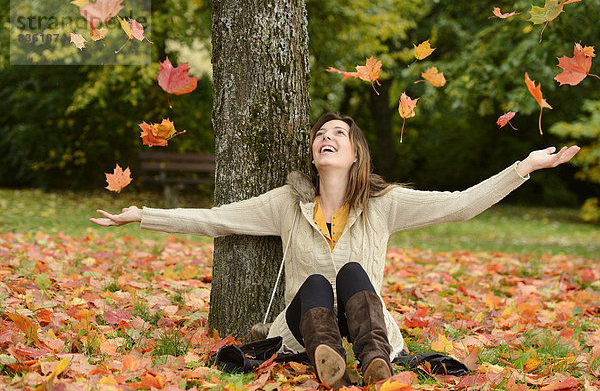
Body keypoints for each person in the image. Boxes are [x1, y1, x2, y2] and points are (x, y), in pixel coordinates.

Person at [91, 112, 580, 388]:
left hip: (366, 318)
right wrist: (144, 216)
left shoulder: (384, 204)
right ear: (313, 153)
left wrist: (524, 167)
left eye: (337, 134)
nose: (327, 138)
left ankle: (372, 361)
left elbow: (461, 206)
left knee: (348, 271)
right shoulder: (286, 202)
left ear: (354, 152)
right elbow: (217, 219)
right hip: (307, 323)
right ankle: (326, 356)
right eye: (320, 135)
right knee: (317, 282)